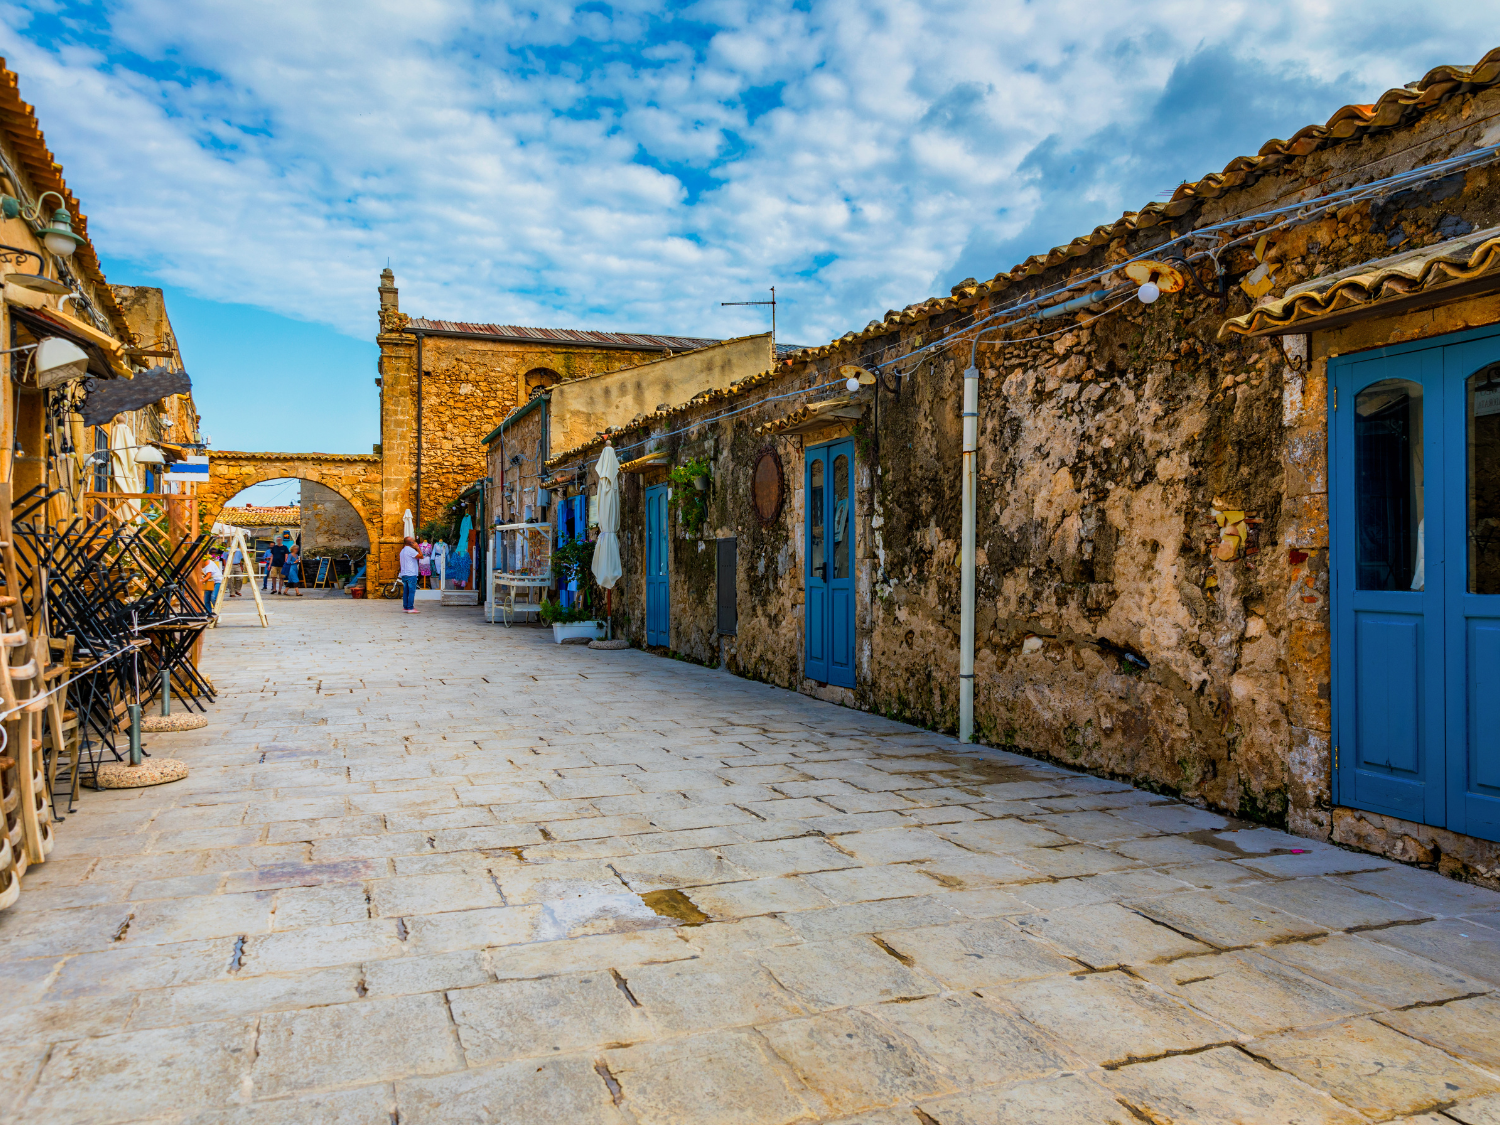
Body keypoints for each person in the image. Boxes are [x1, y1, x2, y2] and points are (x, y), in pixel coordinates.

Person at [399, 535, 421, 613]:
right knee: (411, 591)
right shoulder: (410, 550)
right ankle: (410, 608)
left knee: (406, 591)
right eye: (413, 541)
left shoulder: (402, 551)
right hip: (411, 574)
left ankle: (405, 607)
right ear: (411, 543)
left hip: (404, 574)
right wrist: (417, 547)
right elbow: (421, 556)